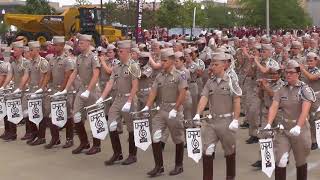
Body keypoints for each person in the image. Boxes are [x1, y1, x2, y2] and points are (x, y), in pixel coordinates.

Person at [193, 52, 241, 180]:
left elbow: (236, 101)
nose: (212, 67)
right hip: (212, 121)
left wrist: (236, 119)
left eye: (215, 64)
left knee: (229, 152)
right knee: (207, 151)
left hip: (227, 122)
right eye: (212, 64)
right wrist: (198, 113)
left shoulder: (232, 81)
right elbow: (204, 97)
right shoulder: (210, 81)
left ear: (223, 66)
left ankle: (230, 177)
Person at [265, 60, 315, 180]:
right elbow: (274, 106)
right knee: (281, 160)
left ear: (298, 74)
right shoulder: (282, 89)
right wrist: (268, 123)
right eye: (286, 72)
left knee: (300, 161)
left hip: (300, 130)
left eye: (291, 72)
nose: (288, 75)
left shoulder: (304, 89)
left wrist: (298, 126)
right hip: (284, 130)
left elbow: (305, 110)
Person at [142, 48, 187, 177]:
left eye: (165, 60)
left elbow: (183, 93)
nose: (162, 63)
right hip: (161, 110)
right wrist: (147, 107)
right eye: (161, 60)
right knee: (155, 136)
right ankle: (158, 166)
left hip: (175, 110)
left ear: (172, 61)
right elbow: (153, 92)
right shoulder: (159, 76)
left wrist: (176, 108)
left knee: (177, 139)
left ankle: (179, 165)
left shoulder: (180, 75)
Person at [54, 34, 100, 154]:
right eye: (79, 43)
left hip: (92, 90)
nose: (79, 45)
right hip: (81, 90)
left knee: (94, 118)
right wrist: (66, 89)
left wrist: (89, 90)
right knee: (76, 116)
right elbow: (74, 73)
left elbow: (96, 75)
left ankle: (97, 145)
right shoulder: (79, 57)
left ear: (88, 43)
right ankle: (84, 142)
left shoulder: (93, 57)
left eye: (81, 43)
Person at [97, 40, 140, 166]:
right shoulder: (116, 66)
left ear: (128, 52)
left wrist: (129, 101)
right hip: (117, 99)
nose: (119, 54)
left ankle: (133, 155)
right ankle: (117, 153)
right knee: (111, 125)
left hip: (129, 99)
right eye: (118, 51)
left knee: (131, 128)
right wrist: (102, 97)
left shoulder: (134, 66)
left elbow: (135, 86)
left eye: (121, 52)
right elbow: (110, 83)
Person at [45, 36, 75, 149]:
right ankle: (55, 138)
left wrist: (62, 90)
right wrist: (44, 87)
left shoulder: (67, 60)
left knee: (67, 114)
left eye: (56, 45)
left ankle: (69, 139)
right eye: (54, 45)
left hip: (65, 91)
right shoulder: (52, 60)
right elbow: (48, 75)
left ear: (62, 46)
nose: (54, 47)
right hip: (54, 90)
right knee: (51, 113)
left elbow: (68, 76)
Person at [299, 52, 320, 150]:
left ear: (316, 61)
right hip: (305, 98)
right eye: (308, 60)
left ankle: (315, 140)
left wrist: (302, 69)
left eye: (311, 60)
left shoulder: (318, 71)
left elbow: (311, 77)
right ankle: (308, 139)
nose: (309, 62)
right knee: (305, 120)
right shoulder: (305, 70)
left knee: (314, 119)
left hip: (316, 98)